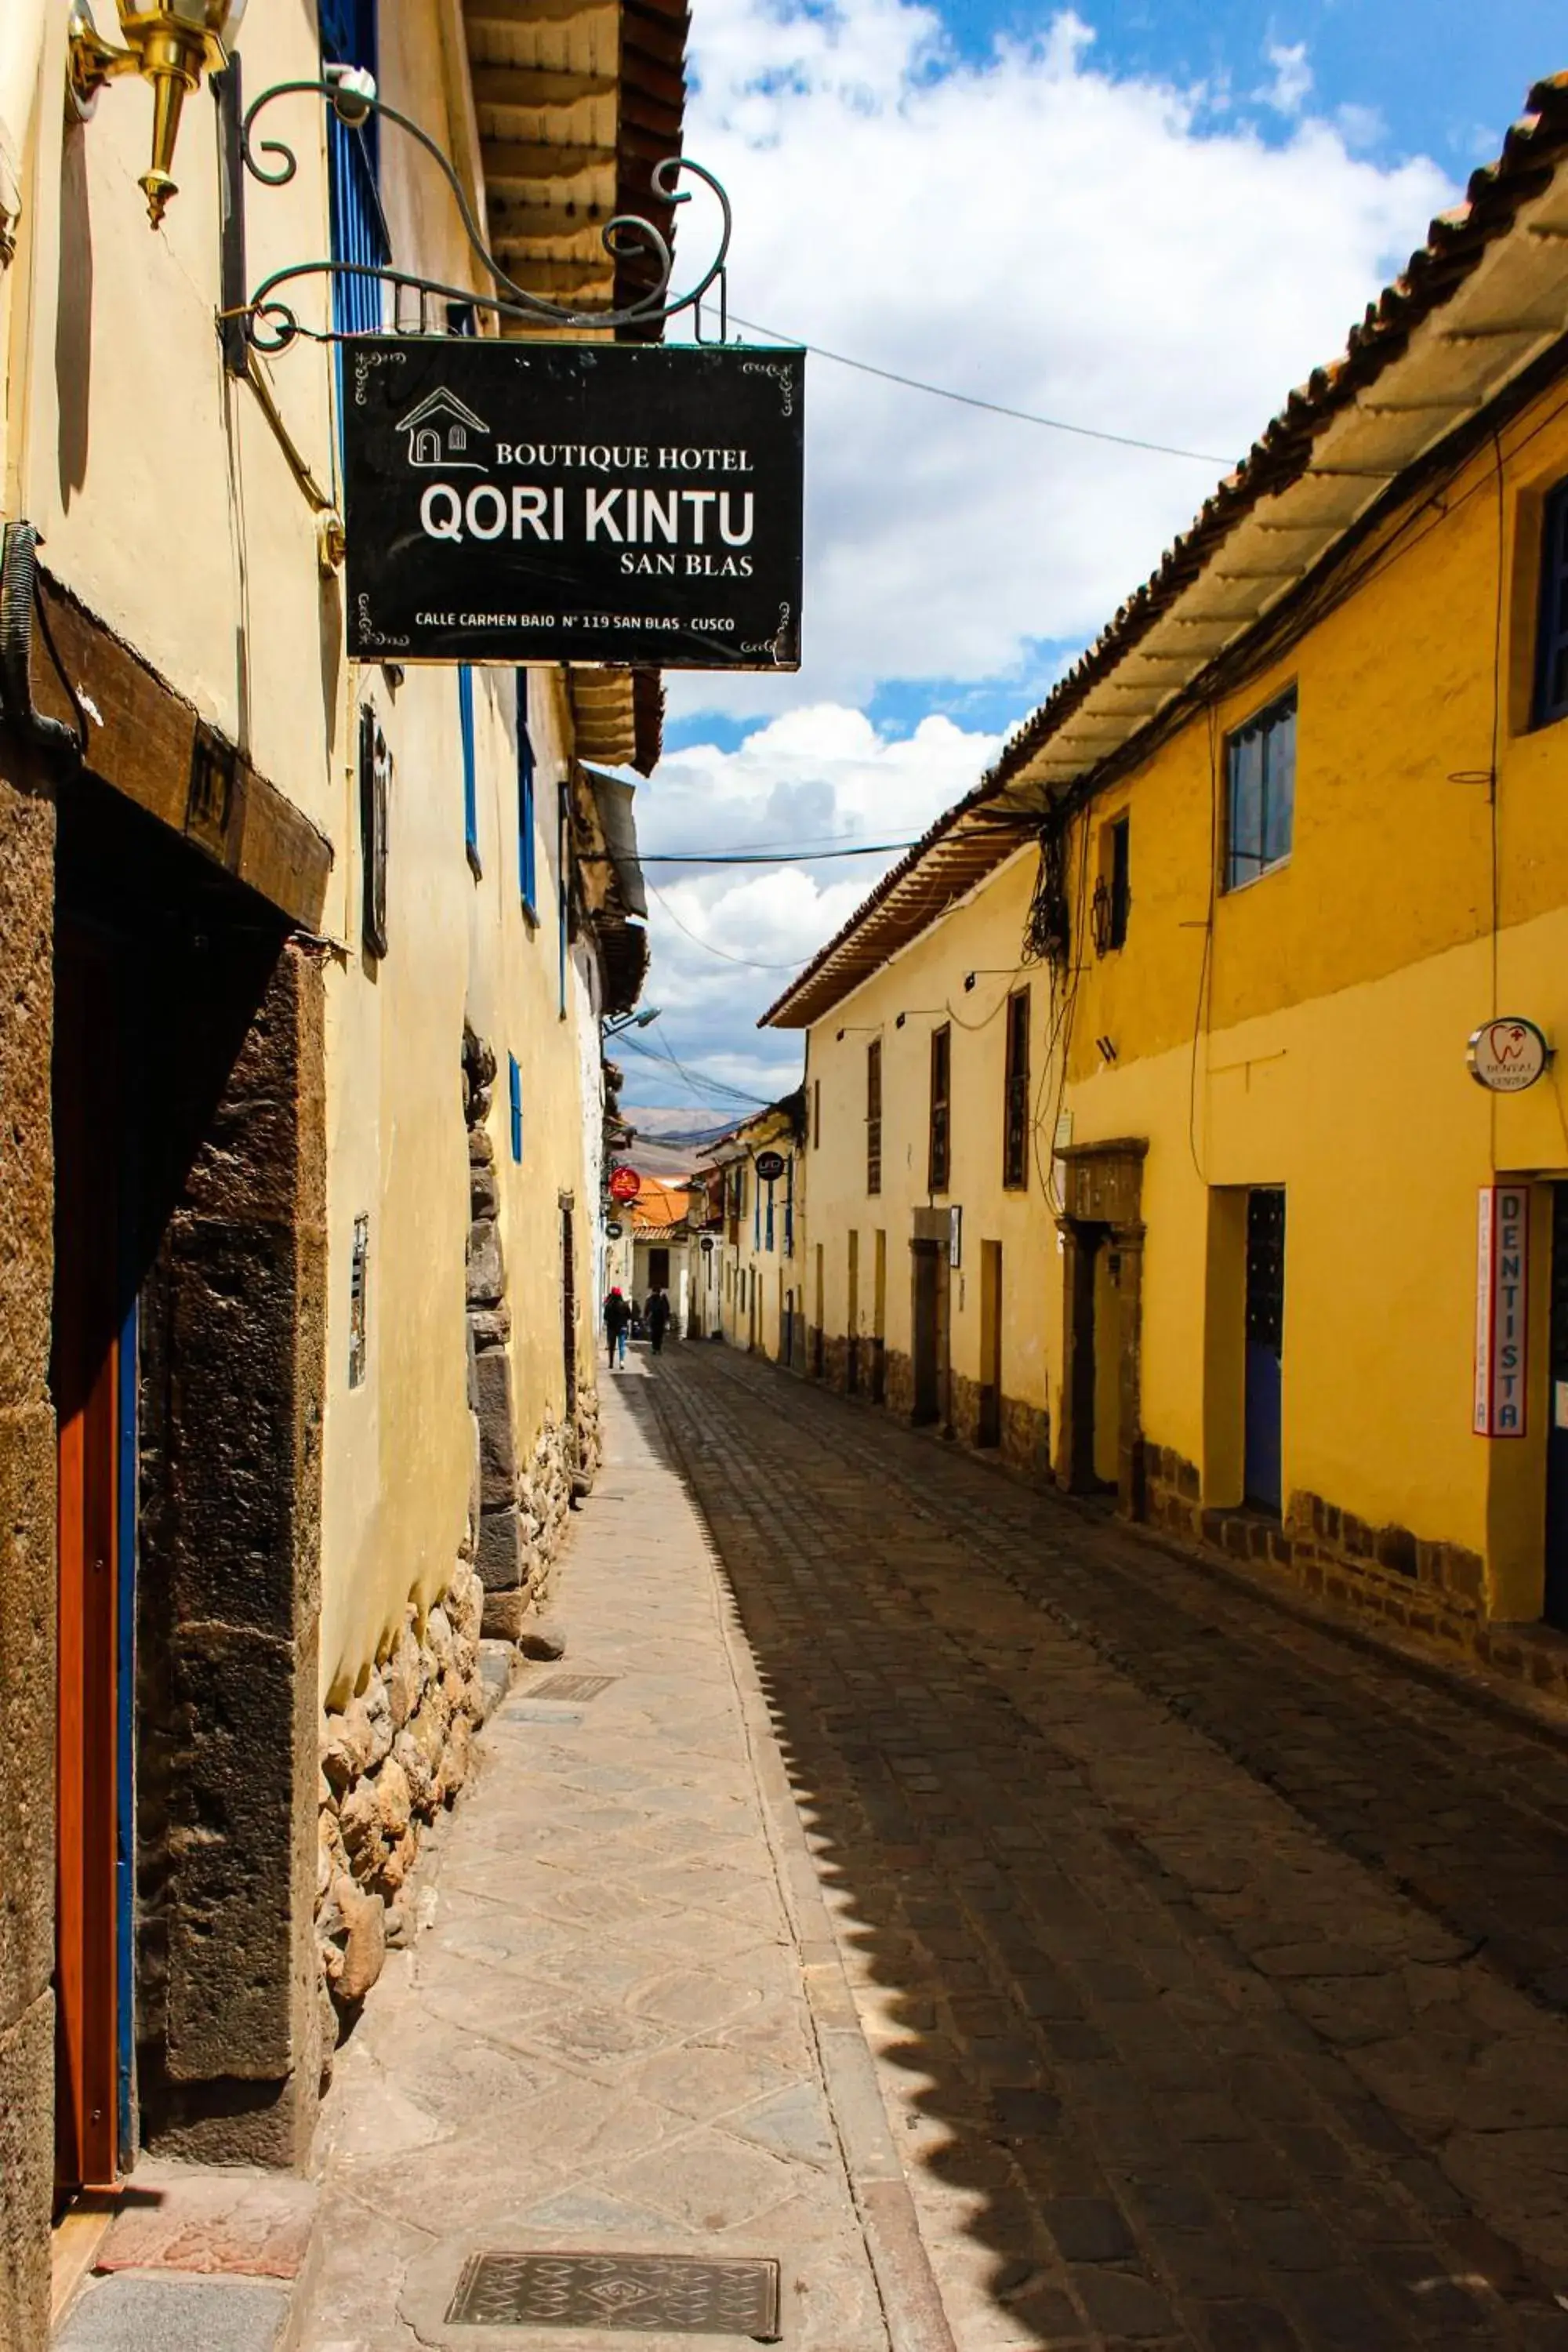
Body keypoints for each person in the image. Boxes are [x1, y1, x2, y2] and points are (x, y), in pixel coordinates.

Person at [604, 1286, 630, 1369]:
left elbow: (605, 1317)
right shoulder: (625, 1305)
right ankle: (622, 1362)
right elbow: (629, 1316)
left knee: (612, 1346)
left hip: (612, 1328)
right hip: (622, 1328)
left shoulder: (609, 1305)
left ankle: (611, 1363)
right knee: (622, 1345)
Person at [648, 1287, 671, 1356]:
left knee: (656, 1335)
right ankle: (657, 1349)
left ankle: (656, 1349)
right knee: (657, 1335)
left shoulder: (655, 1299)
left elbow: (666, 1309)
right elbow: (667, 1309)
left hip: (657, 1320)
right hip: (658, 1320)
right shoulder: (656, 1299)